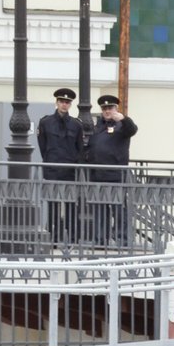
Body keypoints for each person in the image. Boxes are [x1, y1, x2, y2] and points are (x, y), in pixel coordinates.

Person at [87, 94, 138, 246]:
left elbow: (132, 129)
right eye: (104, 108)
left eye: (110, 108)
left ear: (116, 108)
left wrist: (123, 119)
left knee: (119, 209)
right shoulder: (98, 127)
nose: (107, 111)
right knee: (100, 210)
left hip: (116, 175)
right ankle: (100, 239)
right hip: (98, 175)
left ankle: (122, 239)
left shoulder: (122, 126)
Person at [36, 87, 84, 246]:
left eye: (67, 102)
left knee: (71, 206)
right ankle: (54, 237)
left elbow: (79, 148)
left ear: (70, 105)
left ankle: (72, 238)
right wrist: (50, 161)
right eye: (62, 102)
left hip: (70, 170)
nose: (64, 105)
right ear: (56, 102)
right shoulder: (45, 122)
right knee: (53, 206)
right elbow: (43, 146)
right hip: (52, 169)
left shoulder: (77, 125)